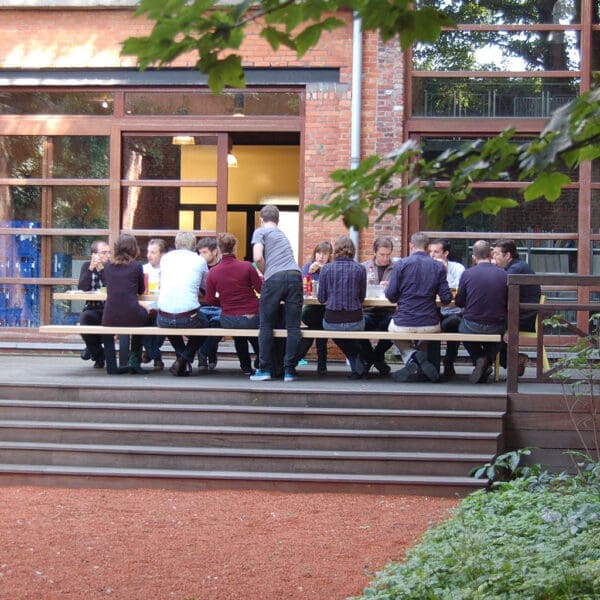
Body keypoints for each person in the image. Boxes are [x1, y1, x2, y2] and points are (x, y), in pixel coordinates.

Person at [385, 232, 453, 383]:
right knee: (429, 335)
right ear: (428, 247)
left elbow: (390, 296)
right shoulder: (438, 266)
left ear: (411, 245)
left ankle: (412, 357)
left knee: (391, 329)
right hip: (430, 323)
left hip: (403, 322)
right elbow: (447, 299)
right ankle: (418, 357)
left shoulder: (401, 264)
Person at [250, 205, 303, 383]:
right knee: (293, 326)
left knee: (266, 324)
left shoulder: (261, 232)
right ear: (278, 220)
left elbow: (257, 257)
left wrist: (265, 272)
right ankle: (289, 371)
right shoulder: (281, 234)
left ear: (261, 219)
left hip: (275, 278)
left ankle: (264, 369)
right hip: (295, 276)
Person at [205, 233, 263, 375]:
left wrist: (225, 303)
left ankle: (245, 367)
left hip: (228, 318)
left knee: (239, 336)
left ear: (218, 249)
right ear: (235, 248)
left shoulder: (213, 272)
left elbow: (210, 299)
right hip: (251, 315)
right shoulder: (247, 266)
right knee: (254, 333)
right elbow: (261, 288)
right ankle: (260, 360)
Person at [317, 235, 371, 379]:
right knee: (351, 338)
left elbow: (321, 299)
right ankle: (359, 361)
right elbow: (362, 298)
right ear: (352, 251)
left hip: (331, 321)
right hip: (355, 321)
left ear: (336, 251)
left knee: (339, 335)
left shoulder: (326, 269)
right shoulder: (360, 269)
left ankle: (357, 361)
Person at [157, 231, 209, 376]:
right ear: (194, 246)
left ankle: (181, 359)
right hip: (188, 316)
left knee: (170, 325)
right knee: (205, 324)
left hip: (163, 317)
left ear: (176, 244)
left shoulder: (165, 259)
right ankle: (183, 359)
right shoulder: (199, 260)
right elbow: (206, 286)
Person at [455, 240, 508, 384]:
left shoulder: (467, 274)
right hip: (496, 324)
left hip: (472, 324)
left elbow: (459, 302)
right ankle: (486, 360)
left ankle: (479, 359)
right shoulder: (504, 275)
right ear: (490, 254)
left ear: (474, 257)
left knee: (461, 329)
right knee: (499, 337)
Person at [101, 234, 152, 374]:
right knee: (145, 316)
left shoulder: (107, 267)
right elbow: (141, 290)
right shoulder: (136, 267)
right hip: (132, 314)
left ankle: (112, 366)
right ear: (133, 249)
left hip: (109, 316)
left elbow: (109, 286)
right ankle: (135, 358)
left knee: (135, 316)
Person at [492, 239, 541, 376]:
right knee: (488, 323)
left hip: (523, 317)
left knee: (488, 324)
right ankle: (512, 360)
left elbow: (498, 288)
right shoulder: (515, 266)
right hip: (519, 313)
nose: (493, 257)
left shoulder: (515, 270)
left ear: (507, 255)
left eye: (496, 254)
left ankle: (507, 360)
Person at [428, 238, 465, 379]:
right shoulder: (425, 268)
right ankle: (430, 364)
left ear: (446, 253)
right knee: (428, 321)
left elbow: (457, 293)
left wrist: (442, 272)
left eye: (436, 252)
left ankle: (449, 362)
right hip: (431, 311)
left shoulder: (457, 269)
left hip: (452, 311)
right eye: (430, 251)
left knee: (453, 323)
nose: (432, 255)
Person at [295, 241, 333, 375]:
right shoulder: (307, 267)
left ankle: (293, 363)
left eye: (325, 254)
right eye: (319, 253)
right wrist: (309, 273)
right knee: (312, 333)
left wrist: (323, 270)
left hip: (326, 309)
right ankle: (320, 366)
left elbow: (332, 287)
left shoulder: (331, 268)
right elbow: (302, 288)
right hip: (311, 308)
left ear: (329, 256)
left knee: (317, 335)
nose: (321, 257)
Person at [361, 237, 396, 376]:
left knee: (395, 326)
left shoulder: (397, 268)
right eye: (382, 254)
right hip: (368, 310)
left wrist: (392, 286)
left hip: (388, 311)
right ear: (374, 252)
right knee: (358, 326)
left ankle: (372, 358)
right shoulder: (364, 267)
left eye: (388, 254)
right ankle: (376, 359)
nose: (385, 258)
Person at [78, 239, 111, 369]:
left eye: (109, 252)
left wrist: (102, 270)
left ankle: (91, 350)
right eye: (104, 252)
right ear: (94, 254)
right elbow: (83, 287)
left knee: (103, 326)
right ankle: (98, 355)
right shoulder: (86, 266)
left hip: (108, 308)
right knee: (84, 320)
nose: (108, 255)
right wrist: (91, 268)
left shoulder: (111, 267)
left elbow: (111, 286)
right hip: (92, 307)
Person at [197, 236, 222, 372]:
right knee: (204, 324)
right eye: (199, 252)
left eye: (204, 252)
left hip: (219, 305)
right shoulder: (198, 266)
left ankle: (204, 353)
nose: (201, 256)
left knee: (217, 324)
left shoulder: (222, 266)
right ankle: (207, 354)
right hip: (202, 305)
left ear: (214, 252)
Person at [141, 238, 167, 371]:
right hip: (146, 307)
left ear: (162, 254)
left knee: (159, 331)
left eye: (153, 252)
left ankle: (150, 353)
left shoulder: (169, 270)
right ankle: (156, 357)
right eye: (148, 252)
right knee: (145, 325)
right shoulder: (143, 269)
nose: (148, 255)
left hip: (163, 307)